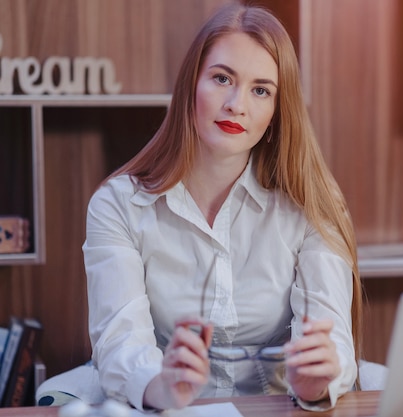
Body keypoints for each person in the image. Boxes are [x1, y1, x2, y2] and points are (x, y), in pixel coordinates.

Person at [82, 2, 362, 412]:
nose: (236, 104)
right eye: (222, 78)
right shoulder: (118, 206)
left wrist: (316, 382)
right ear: (190, 86)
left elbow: (333, 340)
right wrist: (163, 385)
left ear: (277, 113)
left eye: (261, 90)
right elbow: (119, 344)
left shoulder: (311, 206)